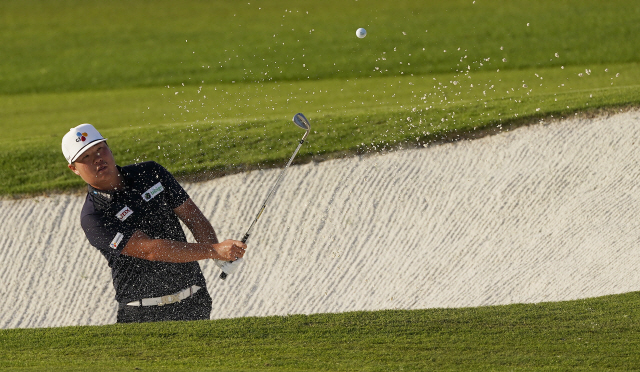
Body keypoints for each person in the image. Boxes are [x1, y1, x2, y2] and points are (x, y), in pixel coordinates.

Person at [62, 124, 246, 323]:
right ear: (74, 169)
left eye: (100, 149)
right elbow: (151, 250)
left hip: (195, 302)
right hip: (143, 314)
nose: (97, 158)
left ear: (109, 147)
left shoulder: (150, 172)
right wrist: (213, 250)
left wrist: (218, 257)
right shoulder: (94, 217)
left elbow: (192, 216)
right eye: (86, 157)